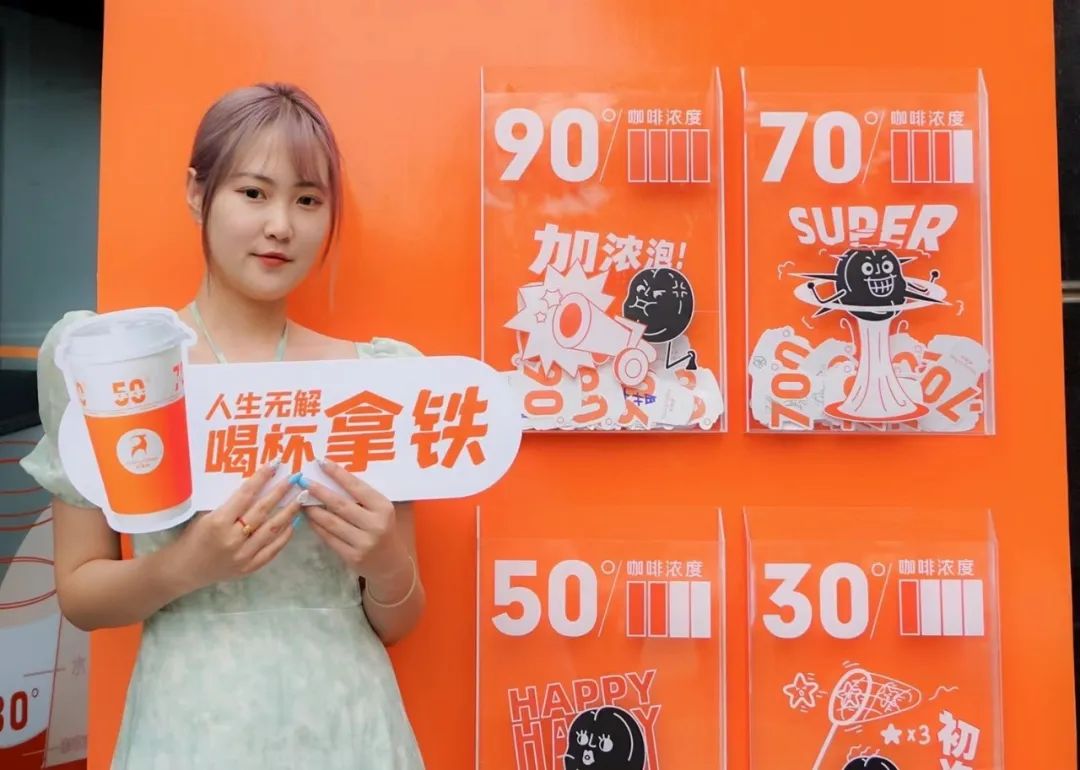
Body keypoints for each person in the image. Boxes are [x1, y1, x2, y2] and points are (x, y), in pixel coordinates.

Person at [20, 82, 427, 769]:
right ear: (196, 192)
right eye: (254, 193)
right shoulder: (108, 367)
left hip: (348, 724)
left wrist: (385, 562)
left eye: (308, 200)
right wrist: (187, 567)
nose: (281, 226)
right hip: (188, 724)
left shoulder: (374, 382)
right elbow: (81, 593)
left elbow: (398, 620)